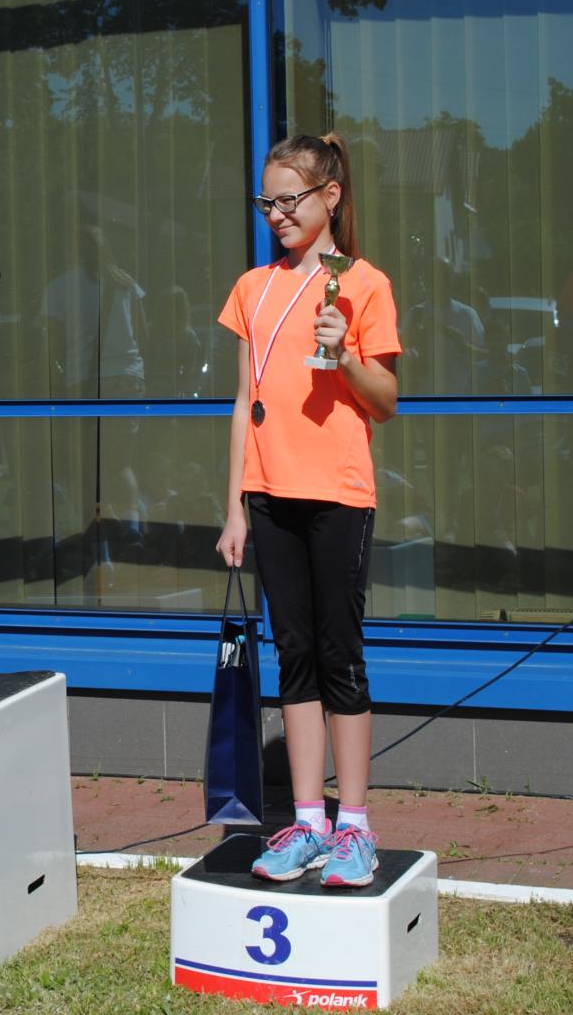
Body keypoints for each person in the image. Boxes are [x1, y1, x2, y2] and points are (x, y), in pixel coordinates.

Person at [214, 134, 400, 887]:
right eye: (267, 201)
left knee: (338, 655)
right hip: (269, 494)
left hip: (337, 493)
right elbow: (243, 401)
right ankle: (307, 821)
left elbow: (385, 402)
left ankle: (354, 827)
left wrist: (345, 354)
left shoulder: (363, 283)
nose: (277, 214)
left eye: (290, 199)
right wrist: (234, 505)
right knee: (293, 655)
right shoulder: (250, 287)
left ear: (330, 196)